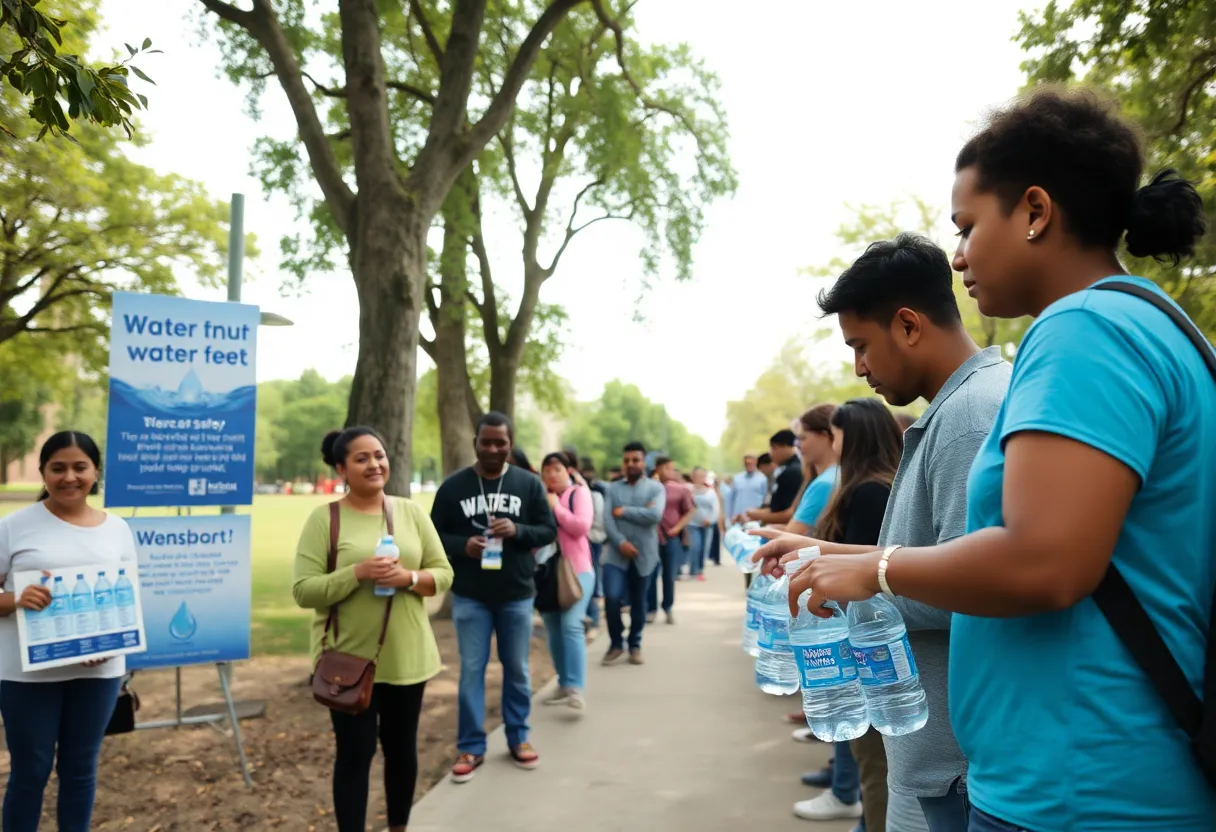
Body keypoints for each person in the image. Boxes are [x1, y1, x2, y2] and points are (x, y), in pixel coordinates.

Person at [787, 89, 1213, 832]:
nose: (958, 258)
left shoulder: (1083, 326)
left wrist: (877, 570)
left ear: (1035, 212)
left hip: (1075, 785)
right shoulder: (1159, 326)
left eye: (967, 227)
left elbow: (1046, 562)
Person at [804, 232, 1011, 831]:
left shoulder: (971, 418)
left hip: (956, 766)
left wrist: (861, 580)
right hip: (934, 759)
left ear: (909, 325)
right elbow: (925, 557)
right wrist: (823, 553)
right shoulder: (951, 410)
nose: (858, 367)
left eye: (861, 346)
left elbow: (979, 585)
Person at [294, 427, 454, 832]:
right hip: (347, 663)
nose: (374, 464)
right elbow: (304, 591)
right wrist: (357, 572)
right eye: (362, 458)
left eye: (379, 455)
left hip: (408, 658)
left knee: (401, 753)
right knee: (354, 755)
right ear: (341, 468)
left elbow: (444, 574)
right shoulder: (324, 519)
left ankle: (399, 826)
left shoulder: (411, 512)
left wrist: (409, 579)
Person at [0, 431, 135, 832]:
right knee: (31, 771)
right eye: (58, 468)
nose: (69, 477)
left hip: (98, 671)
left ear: (96, 471)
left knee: (80, 770)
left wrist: (109, 642)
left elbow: (125, 599)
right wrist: (15, 599)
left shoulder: (118, 529)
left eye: (80, 467)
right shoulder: (13, 526)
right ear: (42, 472)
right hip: (27, 673)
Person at [792, 400, 903, 830]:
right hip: (868, 642)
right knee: (872, 760)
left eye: (835, 435)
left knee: (874, 766)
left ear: (849, 438)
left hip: (869, 646)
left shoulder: (868, 491)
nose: (832, 445)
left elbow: (868, 569)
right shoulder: (872, 485)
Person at [430, 412, 557, 783]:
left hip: (516, 594)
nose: (493, 448)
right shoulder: (454, 487)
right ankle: (471, 745)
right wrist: (463, 546)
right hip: (471, 596)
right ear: (476, 443)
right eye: (486, 441)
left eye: (500, 442)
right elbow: (434, 535)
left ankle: (518, 737)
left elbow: (548, 530)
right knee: (472, 669)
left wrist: (518, 529)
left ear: (510, 445)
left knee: (516, 668)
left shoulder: (528, 485)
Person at [538, 452, 596, 710]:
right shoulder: (539, 498)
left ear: (569, 471)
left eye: (557, 469)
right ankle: (563, 682)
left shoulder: (578, 493)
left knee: (572, 625)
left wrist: (556, 508)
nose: (552, 474)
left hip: (578, 571)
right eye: (547, 470)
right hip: (547, 574)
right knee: (553, 630)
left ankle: (575, 687)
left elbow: (581, 527)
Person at [601, 441, 666, 665]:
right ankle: (616, 643)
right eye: (627, 460)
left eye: (635, 460)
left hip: (644, 555)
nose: (631, 464)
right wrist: (620, 542)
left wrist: (625, 511)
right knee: (611, 597)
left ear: (644, 461)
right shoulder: (613, 488)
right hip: (616, 554)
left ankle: (634, 644)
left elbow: (655, 515)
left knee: (639, 603)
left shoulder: (656, 488)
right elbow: (608, 519)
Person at [647, 456, 696, 624]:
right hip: (651, 537)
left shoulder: (681, 489)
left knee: (669, 574)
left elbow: (690, 510)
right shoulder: (648, 487)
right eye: (667, 468)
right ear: (658, 468)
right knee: (650, 573)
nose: (671, 471)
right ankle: (650, 609)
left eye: (672, 468)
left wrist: (678, 528)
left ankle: (668, 607)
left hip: (671, 537)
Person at [787, 404, 840, 535]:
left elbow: (789, 539)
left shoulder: (824, 483)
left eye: (802, 438)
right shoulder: (841, 475)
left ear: (825, 436)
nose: (797, 446)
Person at [748, 432, 802, 525]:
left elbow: (785, 512)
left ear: (785, 446)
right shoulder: (794, 469)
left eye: (774, 448)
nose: (771, 453)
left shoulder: (791, 472)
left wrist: (754, 514)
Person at [581, 460, 608, 636]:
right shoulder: (592, 494)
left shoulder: (595, 495)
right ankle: (591, 619)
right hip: (589, 541)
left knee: (591, 581)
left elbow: (599, 521)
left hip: (592, 541)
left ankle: (594, 620)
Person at [687, 467, 719, 581]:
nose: (699, 478)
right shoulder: (688, 490)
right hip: (692, 524)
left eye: (702, 476)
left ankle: (699, 570)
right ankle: (693, 569)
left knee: (704, 549)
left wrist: (710, 520)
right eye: (697, 476)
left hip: (707, 525)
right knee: (695, 546)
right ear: (692, 476)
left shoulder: (711, 492)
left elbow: (716, 509)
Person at [726, 455, 768, 523]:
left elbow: (765, 498)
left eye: (751, 463)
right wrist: (729, 516)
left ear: (756, 463)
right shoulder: (737, 478)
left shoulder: (763, 478)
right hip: (737, 518)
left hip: (755, 519)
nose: (749, 465)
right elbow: (731, 499)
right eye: (747, 463)